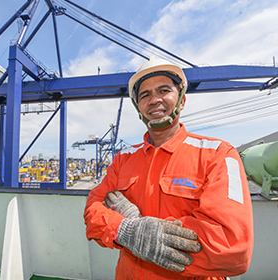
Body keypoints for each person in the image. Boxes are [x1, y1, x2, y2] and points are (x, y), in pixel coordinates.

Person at [83, 57, 254, 280]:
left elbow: (232, 247)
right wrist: (126, 230)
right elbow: (93, 210)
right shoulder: (122, 160)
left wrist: (144, 235)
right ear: (138, 107)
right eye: (145, 95)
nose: (154, 100)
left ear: (181, 100)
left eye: (164, 90)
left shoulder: (218, 155)